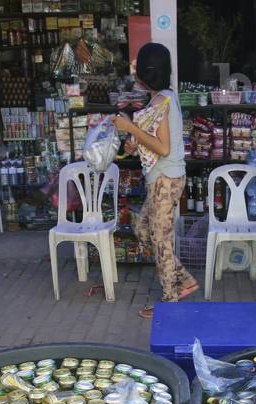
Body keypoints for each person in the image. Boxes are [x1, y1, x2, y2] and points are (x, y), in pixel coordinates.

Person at [112, 43, 198, 319]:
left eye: (139, 66)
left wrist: (130, 128)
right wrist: (132, 137)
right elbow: (152, 140)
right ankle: (182, 278)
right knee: (143, 229)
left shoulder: (163, 101)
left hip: (165, 179)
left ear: (146, 74)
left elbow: (162, 148)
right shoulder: (160, 97)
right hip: (161, 179)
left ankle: (170, 301)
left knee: (161, 240)